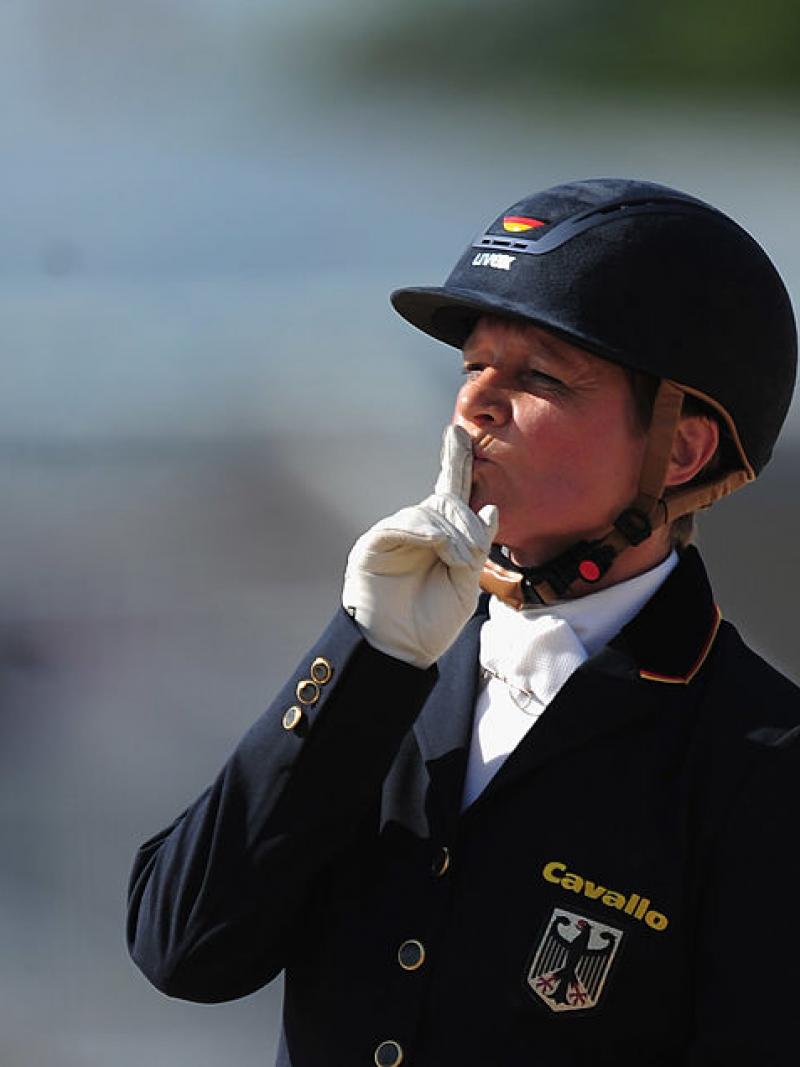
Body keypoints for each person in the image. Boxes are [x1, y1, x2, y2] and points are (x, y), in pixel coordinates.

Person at [127, 178, 799, 1066]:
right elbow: (186, 946)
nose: (476, 405)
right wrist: (362, 652)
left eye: (540, 378)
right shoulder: (390, 667)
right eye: (473, 367)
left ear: (679, 448)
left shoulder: (763, 762)